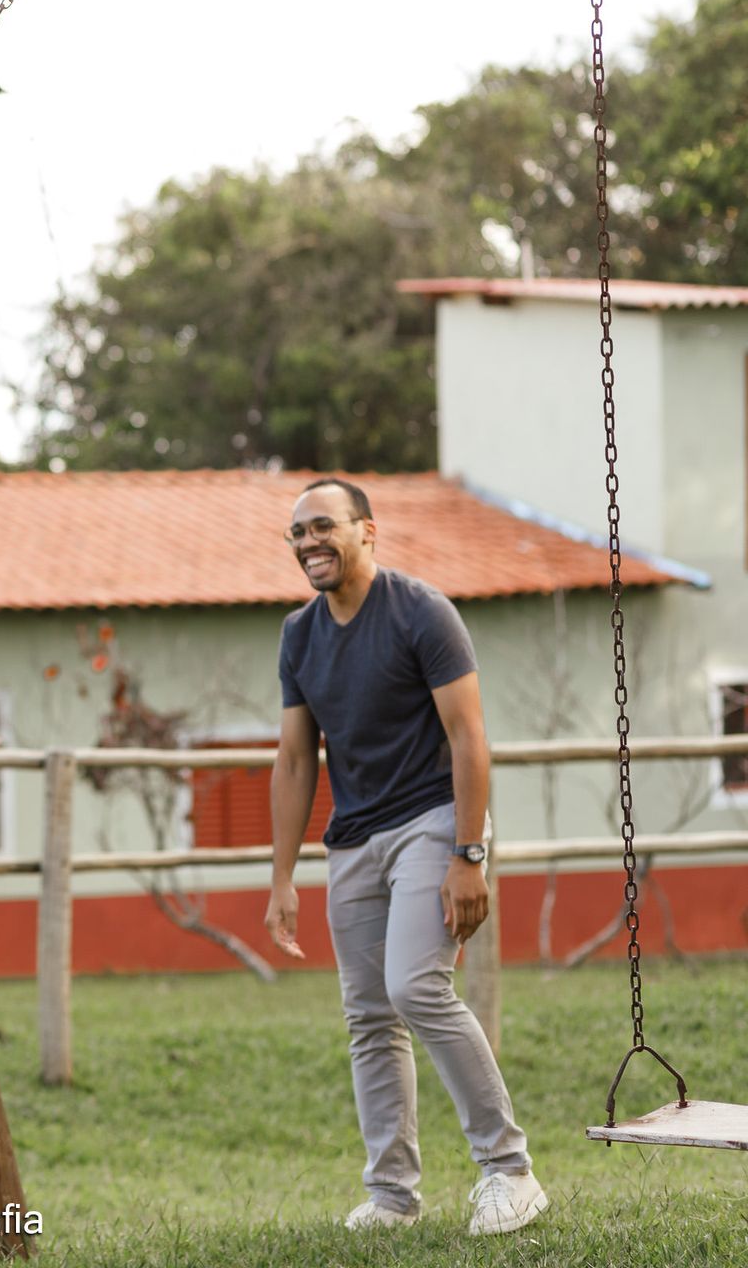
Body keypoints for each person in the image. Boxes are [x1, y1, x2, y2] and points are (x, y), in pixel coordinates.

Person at [262, 477, 547, 1237]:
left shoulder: (422, 612)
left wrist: (469, 853)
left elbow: (468, 737)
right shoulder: (299, 634)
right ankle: (392, 1196)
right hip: (353, 839)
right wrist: (282, 875)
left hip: (431, 821)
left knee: (416, 988)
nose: (308, 543)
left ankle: (509, 1171)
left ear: (367, 531)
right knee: (368, 1017)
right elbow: (295, 760)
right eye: (297, 534)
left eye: (323, 527)